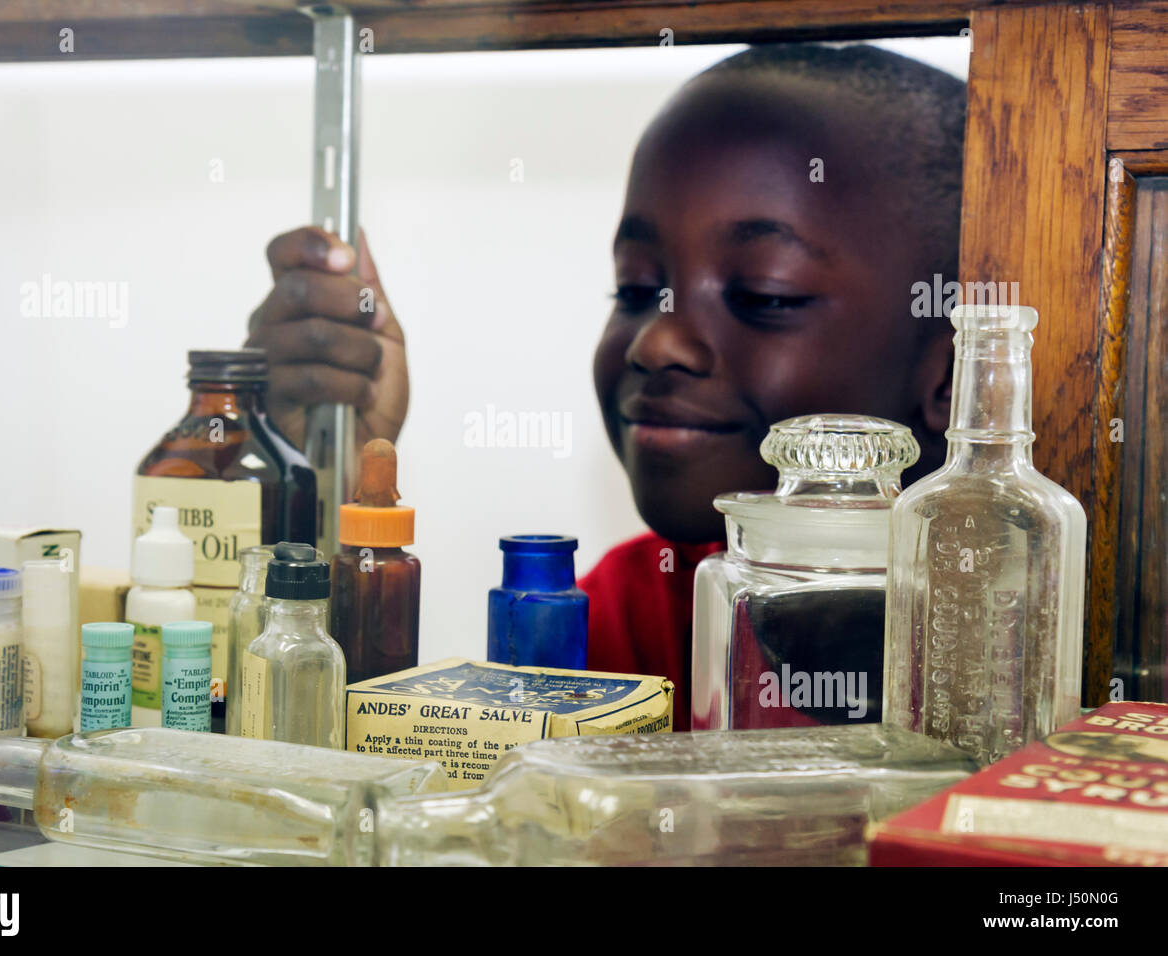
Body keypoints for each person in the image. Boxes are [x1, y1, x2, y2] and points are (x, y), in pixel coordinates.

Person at [245, 44, 967, 731]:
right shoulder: (636, 606)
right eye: (636, 288)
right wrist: (307, 479)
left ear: (951, 372)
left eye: (762, 294)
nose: (656, 341)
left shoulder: (1009, 626)